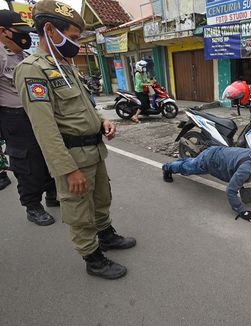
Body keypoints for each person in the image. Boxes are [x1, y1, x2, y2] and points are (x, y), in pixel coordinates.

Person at [14, 0, 136, 280]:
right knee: (80, 211)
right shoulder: (33, 70)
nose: (76, 45)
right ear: (49, 29)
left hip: (94, 150)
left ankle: (106, 236)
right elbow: (44, 129)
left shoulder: (65, 66)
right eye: (72, 37)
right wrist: (68, 170)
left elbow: (84, 104)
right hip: (72, 157)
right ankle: (93, 259)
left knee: (102, 199)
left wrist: (102, 119)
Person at [0, 10, 58, 225]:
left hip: (36, 113)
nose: (23, 36)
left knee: (48, 154)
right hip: (14, 118)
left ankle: (53, 194)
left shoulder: (22, 55)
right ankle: (32, 206)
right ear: (3, 32)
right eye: (18, 31)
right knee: (27, 162)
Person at [162, 147, 251, 223]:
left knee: (192, 163)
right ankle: (167, 167)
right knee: (188, 169)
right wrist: (242, 212)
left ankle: (182, 162)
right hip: (211, 160)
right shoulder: (246, 169)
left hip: (220, 154)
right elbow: (231, 191)